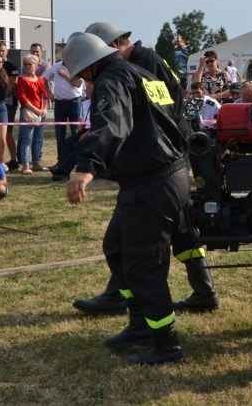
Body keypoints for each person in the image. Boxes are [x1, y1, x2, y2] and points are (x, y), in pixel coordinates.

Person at [64, 32, 189, 365]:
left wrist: (86, 167)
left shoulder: (112, 79)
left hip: (152, 182)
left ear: (89, 67)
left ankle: (166, 344)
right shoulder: (143, 74)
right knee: (117, 248)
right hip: (163, 176)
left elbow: (114, 122)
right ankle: (139, 323)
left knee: (145, 267)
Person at [78, 21, 219, 316]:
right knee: (178, 231)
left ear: (114, 46)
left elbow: (140, 117)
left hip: (159, 162)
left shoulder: (142, 64)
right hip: (170, 157)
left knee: (141, 241)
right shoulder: (147, 61)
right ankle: (202, 290)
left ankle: (123, 295)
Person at [45, 58, 84, 164]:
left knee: (76, 132)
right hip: (59, 104)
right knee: (59, 134)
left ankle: (76, 160)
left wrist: (63, 74)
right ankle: (61, 160)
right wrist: (49, 93)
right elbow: (45, 79)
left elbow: (78, 83)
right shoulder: (55, 66)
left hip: (74, 103)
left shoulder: (78, 65)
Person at [17, 54, 49, 174]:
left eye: (30, 64)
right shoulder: (22, 80)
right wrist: (36, 110)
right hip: (28, 113)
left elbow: (45, 96)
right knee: (27, 139)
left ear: (36, 66)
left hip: (41, 113)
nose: (27, 66)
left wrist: (44, 109)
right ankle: (25, 165)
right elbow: (22, 98)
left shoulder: (40, 80)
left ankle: (36, 163)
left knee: (39, 139)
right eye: (25, 64)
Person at [0, 42, 21, 172]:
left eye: (2, 51)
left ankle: (14, 160)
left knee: (8, 133)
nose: (0, 53)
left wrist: (2, 96)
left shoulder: (12, 66)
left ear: (7, 52)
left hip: (9, 103)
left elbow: (13, 83)